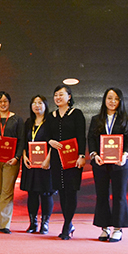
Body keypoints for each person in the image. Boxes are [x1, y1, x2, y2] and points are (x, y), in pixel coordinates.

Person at [88, 88, 128, 243]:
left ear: (120, 101)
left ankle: (117, 228)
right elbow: (91, 139)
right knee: (101, 195)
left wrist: (124, 156)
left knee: (119, 195)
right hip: (100, 164)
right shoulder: (96, 119)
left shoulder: (126, 119)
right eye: (109, 98)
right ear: (104, 100)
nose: (112, 101)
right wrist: (95, 155)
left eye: (116, 99)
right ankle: (104, 228)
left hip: (120, 164)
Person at [47, 84, 86, 240]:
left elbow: (81, 136)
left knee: (71, 190)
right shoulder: (51, 116)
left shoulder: (76, 114)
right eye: (56, 94)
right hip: (57, 158)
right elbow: (47, 135)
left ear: (69, 97)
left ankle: (67, 224)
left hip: (73, 158)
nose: (58, 97)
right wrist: (50, 141)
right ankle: (68, 224)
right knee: (61, 190)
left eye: (61, 94)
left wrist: (81, 155)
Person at [0, 91, 24, 234]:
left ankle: (5, 224)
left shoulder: (17, 119)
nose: (2, 104)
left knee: (7, 191)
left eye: (5, 101)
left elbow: (21, 140)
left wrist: (17, 157)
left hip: (11, 159)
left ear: (9, 102)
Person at [20, 95, 54, 234]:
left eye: (40, 103)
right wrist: (24, 157)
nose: (37, 105)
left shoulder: (50, 122)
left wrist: (48, 159)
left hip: (45, 164)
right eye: (34, 103)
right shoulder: (28, 122)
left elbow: (53, 142)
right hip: (31, 164)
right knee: (32, 193)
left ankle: (44, 224)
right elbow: (23, 142)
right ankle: (32, 223)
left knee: (46, 193)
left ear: (45, 105)